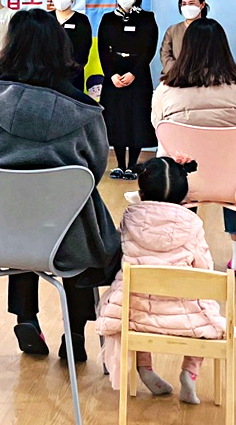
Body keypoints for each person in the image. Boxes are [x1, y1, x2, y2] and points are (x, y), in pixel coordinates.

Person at [0, 9, 120, 362]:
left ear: (10, 46)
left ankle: (26, 318)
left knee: (19, 206)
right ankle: (75, 331)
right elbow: (94, 171)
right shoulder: (85, 111)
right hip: (67, 238)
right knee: (73, 213)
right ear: (60, 48)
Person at [96, 156, 228, 405]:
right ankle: (189, 372)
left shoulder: (130, 217)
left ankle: (145, 368)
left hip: (134, 314)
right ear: (185, 195)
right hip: (185, 317)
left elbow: (120, 254)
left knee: (133, 302)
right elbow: (205, 269)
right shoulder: (192, 224)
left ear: (141, 194)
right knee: (209, 313)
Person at [152, 18, 236, 276]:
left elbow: (159, 127)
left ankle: (184, 256)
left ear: (187, 49)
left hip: (183, 181)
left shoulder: (166, 87)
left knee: (182, 173)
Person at [97, 0, 159, 180]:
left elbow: (149, 49)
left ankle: (133, 165)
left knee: (136, 119)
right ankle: (119, 165)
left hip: (137, 75)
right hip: (114, 75)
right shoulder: (108, 19)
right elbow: (102, 49)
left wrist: (134, 73)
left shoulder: (147, 18)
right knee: (116, 119)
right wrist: (111, 74)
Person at [48, 0, 92, 90]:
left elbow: (84, 47)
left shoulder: (81, 20)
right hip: (49, 75)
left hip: (73, 75)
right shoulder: (47, 19)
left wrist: (73, 67)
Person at [160, 0, 208, 73]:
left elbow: (216, 56)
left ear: (202, 4)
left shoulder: (210, 29)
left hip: (203, 77)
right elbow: (165, 54)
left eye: (191, 3)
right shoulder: (173, 30)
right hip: (176, 76)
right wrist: (178, 72)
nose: (187, 7)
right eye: (184, 4)